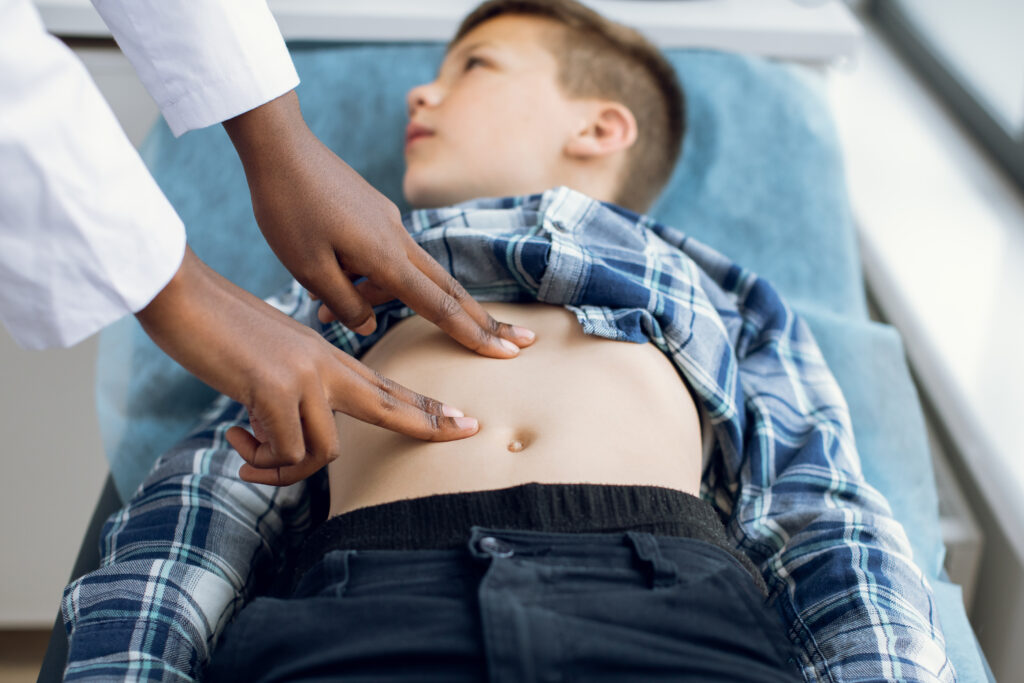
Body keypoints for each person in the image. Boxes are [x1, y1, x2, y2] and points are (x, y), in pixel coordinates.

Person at [60, 1, 955, 681]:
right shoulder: (320, 286)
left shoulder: (721, 289)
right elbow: (205, 508)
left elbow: (819, 509)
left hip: (666, 598)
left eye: (475, 66)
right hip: (362, 600)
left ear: (599, 127)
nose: (422, 90)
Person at [0, 0, 537, 487]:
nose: (419, 92)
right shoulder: (290, 327)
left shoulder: (616, 255)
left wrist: (276, 136)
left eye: (475, 65)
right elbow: (208, 491)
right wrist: (180, 295)